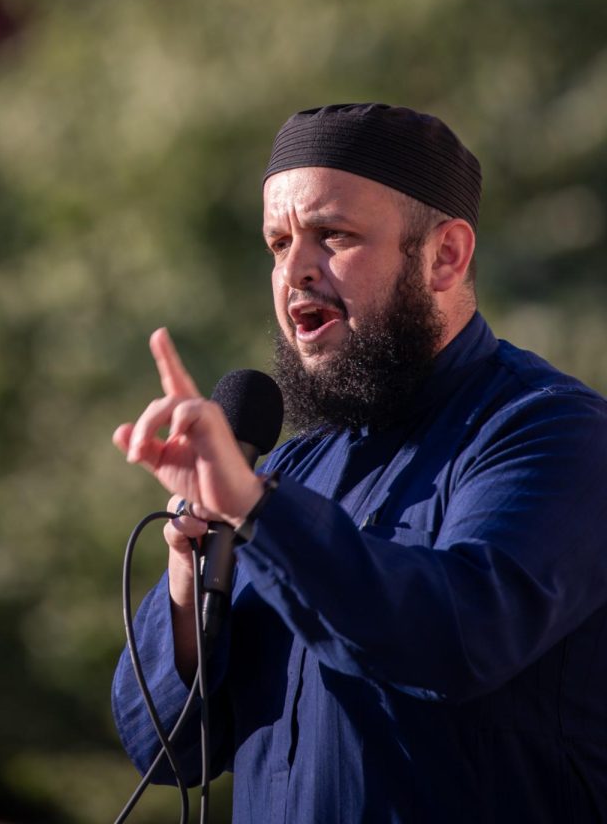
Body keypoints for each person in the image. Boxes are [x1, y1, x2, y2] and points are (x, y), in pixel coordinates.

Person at [111, 102, 607, 823]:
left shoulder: (552, 433)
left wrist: (259, 513)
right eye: (278, 244)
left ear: (445, 256)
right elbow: (165, 752)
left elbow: (455, 638)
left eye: (333, 236)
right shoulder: (293, 471)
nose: (295, 273)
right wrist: (191, 583)